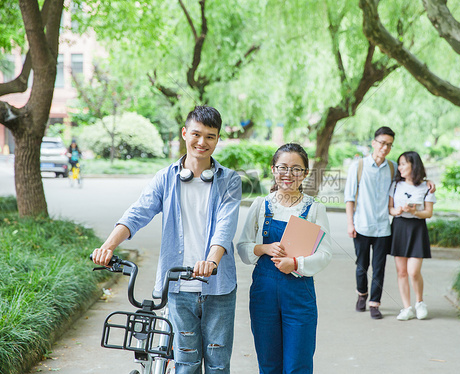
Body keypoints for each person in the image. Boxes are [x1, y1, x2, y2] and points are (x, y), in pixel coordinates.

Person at [91, 105, 242, 374]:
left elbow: (225, 227)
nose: (202, 142)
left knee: (218, 365)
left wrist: (211, 261)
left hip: (218, 286)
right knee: (186, 363)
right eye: (196, 134)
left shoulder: (229, 180)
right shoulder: (166, 178)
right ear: (185, 134)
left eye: (210, 136)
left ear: (218, 139)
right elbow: (138, 212)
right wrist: (108, 246)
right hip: (178, 287)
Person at [237, 143, 332, 374]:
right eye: (282, 167)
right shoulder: (261, 205)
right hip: (264, 292)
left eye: (296, 169)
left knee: (297, 365)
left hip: (299, 294)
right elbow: (242, 246)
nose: (288, 174)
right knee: (269, 364)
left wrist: (296, 264)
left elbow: (325, 253)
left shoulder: (314, 209)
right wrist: (264, 248)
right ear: (273, 169)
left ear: (305, 173)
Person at [344, 127, 434, 319]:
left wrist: (429, 182)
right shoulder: (358, 166)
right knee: (362, 266)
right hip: (362, 224)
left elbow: (412, 178)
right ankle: (362, 294)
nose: (385, 147)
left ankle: (375, 303)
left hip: (384, 227)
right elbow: (349, 198)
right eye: (382, 143)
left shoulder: (393, 167)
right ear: (374, 143)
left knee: (379, 267)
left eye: (389, 145)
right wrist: (350, 223)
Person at [388, 151, 436, 321]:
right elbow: (390, 209)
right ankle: (407, 307)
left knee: (413, 272)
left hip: (417, 228)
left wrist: (415, 211)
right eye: (399, 164)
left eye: (403, 164)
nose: (399, 167)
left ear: (413, 165)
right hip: (399, 226)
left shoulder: (426, 187)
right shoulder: (396, 185)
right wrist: (398, 211)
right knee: (401, 272)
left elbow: (428, 213)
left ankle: (420, 303)